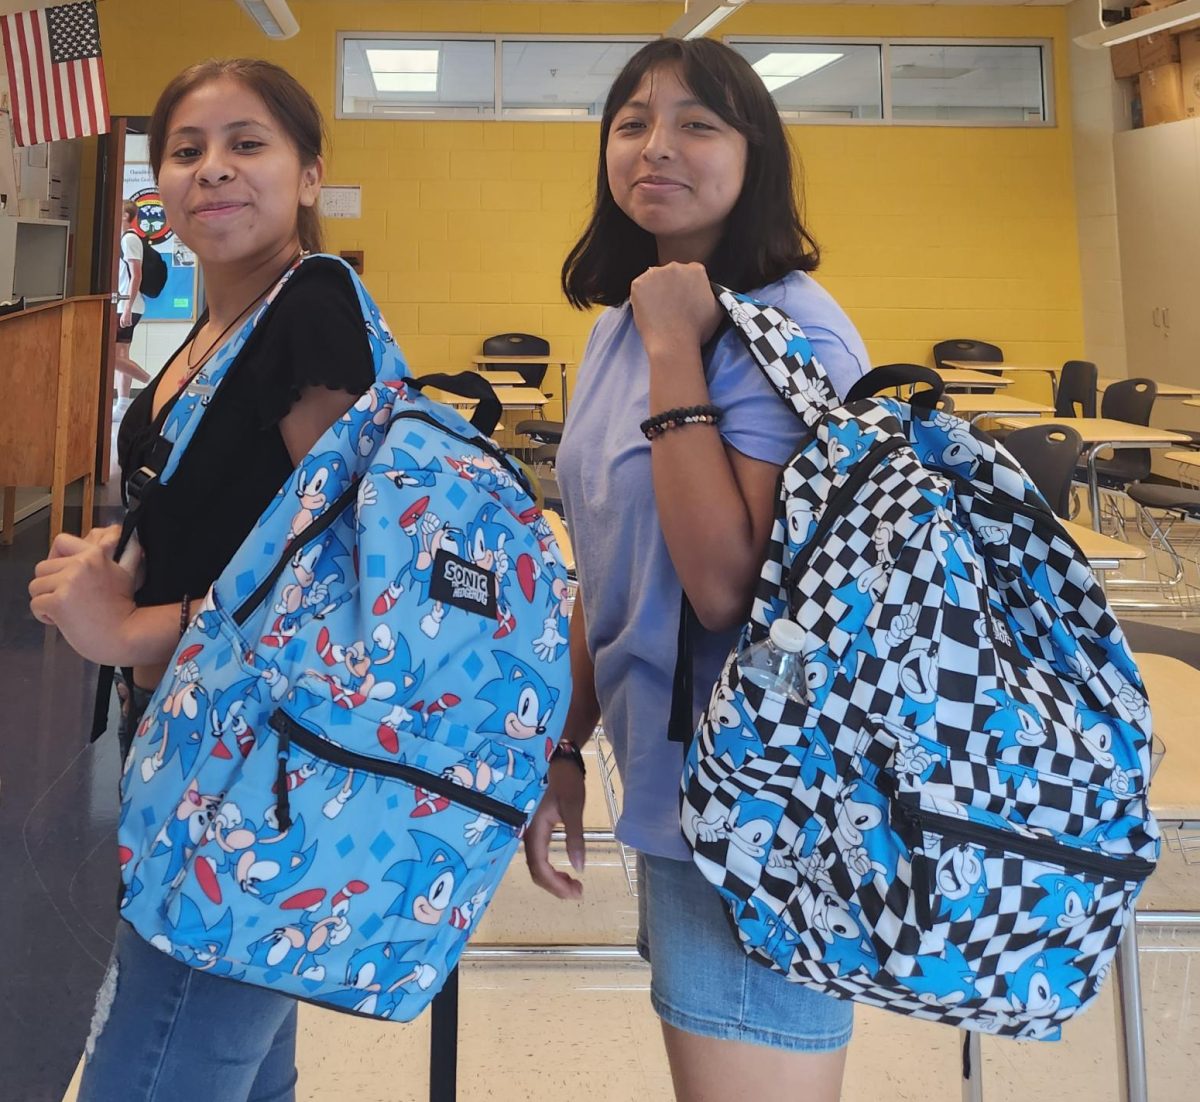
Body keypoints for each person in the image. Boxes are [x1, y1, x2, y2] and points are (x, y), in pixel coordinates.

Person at [524, 38, 871, 1102]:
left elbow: (724, 582)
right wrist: (566, 744)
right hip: (671, 784)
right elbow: (605, 560)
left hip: (766, 800)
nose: (655, 145)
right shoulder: (625, 324)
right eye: (632, 121)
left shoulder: (794, 331)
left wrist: (681, 346)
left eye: (697, 123)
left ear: (753, 150)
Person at [28, 59, 374, 1102]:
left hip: (253, 773)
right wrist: (124, 555)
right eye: (187, 150)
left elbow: (342, 567)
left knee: (161, 1059)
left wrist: (129, 628)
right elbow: (232, 513)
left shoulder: (313, 310)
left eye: (248, 144)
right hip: (187, 749)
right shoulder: (221, 327)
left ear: (310, 174)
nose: (212, 169)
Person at [114, 199, 151, 415]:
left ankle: (150, 380)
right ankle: (123, 404)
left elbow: (136, 273)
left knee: (111, 355)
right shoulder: (123, 239)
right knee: (121, 353)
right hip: (124, 303)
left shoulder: (129, 239)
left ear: (126, 216)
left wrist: (127, 307)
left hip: (127, 304)